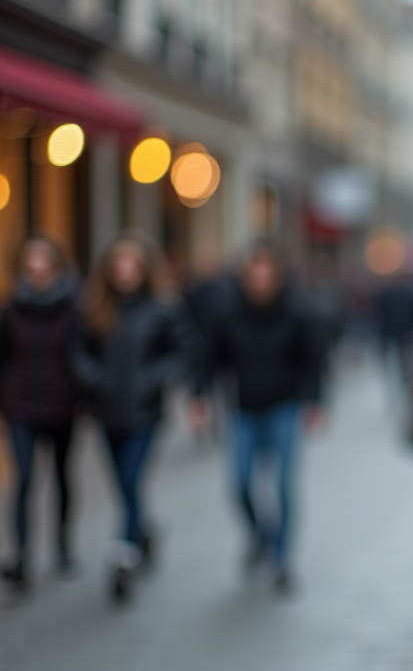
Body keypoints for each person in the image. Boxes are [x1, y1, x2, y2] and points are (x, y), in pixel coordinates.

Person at [189, 243, 324, 593]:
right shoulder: (226, 311)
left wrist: (315, 402)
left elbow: (312, 360)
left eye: (268, 276)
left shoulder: (297, 311)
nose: (261, 283)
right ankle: (260, 535)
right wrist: (198, 396)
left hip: (285, 406)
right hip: (243, 409)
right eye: (255, 276)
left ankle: (282, 559)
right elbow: (209, 356)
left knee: (282, 484)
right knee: (240, 483)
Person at [70, 232, 196, 604]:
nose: (125, 273)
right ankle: (145, 531)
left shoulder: (164, 306)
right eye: (119, 265)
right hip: (107, 412)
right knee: (124, 487)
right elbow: (78, 351)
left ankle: (123, 558)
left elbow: (183, 352)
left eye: (132, 265)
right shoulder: (94, 306)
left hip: (145, 412)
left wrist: (154, 379)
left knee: (130, 480)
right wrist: (95, 379)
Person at [0, 236, 81, 592]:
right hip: (20, 404)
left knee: (62, 476)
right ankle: (21, 555)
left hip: (62, 403)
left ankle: (63, 545)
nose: (35, 266)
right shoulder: (12, 308)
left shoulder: (72, 307)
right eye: (29, 259)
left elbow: (80, 354)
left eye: (41, 259)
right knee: (24, 479)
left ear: (54, 264)